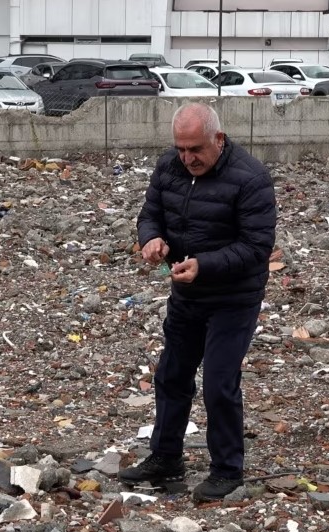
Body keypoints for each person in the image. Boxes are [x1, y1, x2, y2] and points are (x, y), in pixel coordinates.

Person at [117, 102, 277, 503]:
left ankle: (227, 471)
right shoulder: (169, 167)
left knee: (220, 384)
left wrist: (203, 265)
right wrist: (151, 239)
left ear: (218, 140)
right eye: (181, 149)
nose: (187, 158)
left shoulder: (251, 178)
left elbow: (257, 247)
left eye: (196, 150)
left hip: (234, 298)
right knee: (171, 376)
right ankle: (166, 456)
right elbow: (149, 213)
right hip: (187, 292)